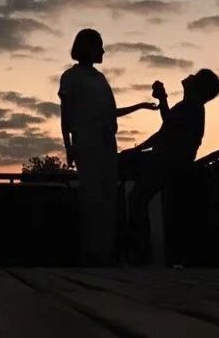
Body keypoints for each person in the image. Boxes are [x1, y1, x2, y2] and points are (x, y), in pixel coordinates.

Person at [58, 29, 157, 264]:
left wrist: (141, 106)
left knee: (108, 198)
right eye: (99, 46)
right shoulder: (71, 77)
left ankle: (104, 253)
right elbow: (66, 114)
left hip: (106, 145)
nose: (103, 50)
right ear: (88, 47)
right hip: (87, 143)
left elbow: (110, 113)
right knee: (92, 197)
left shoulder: (100, 79)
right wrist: (68, 146)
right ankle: (92, 253)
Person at [120, 68, 219, 262]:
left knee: (137, 199)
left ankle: (140, 251)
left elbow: (166, 128)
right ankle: (140, 250)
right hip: (166, 161)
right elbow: (165, 130)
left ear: (197, 87)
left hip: (167, 163)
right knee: (137, 198)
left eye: (195, 77)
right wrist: (137, 150)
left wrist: (162, 97)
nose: (190, 76)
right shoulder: (189, 106)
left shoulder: (191, 106)